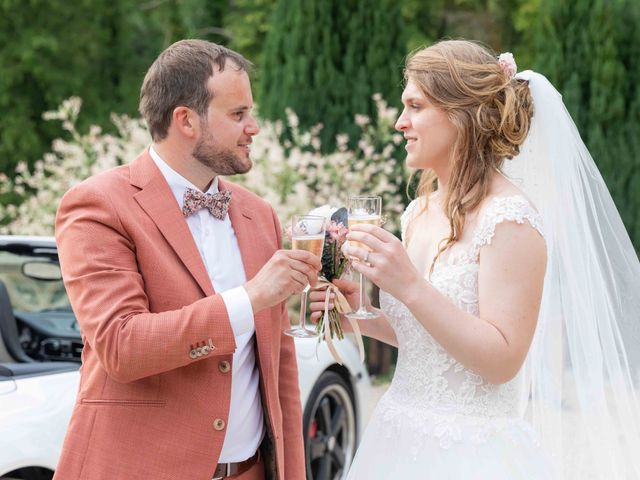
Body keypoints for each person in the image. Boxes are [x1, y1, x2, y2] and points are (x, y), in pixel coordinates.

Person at [310, 39, 640, 479]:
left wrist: (410, 285)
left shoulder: (510, 220)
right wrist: (359, 314)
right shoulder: (419, 212)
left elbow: (502, 360)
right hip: (397, 435)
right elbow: (429, 341)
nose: (399, 122)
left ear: (461, 114)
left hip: (470, 453)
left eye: (415, 106)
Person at [54, 39, 320, 480]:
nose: (253, 127)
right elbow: (122, 346)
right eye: (238, 115)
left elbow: (279, 365)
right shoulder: (98, 205)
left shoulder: (261, 214)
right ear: (186, 121)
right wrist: (249, 298)